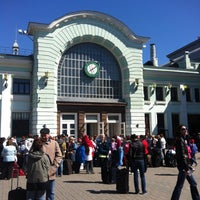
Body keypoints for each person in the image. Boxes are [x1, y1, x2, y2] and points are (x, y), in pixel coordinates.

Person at [171, 125, 200, 200]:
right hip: (184, 167)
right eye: (183, 129)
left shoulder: (184, 140)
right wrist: (187, 169)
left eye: (186, 128)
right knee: (181, 185)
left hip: (185, 166)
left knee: (191, 184)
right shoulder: (180, 140)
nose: (185, 130)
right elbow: (182, 155)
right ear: (180, 131)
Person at [40, 125, 62, 200]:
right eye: (42, 135)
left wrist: (55, 165)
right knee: (41, 192)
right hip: (40, 171)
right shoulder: (37, 143)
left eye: (45, 135)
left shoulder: (54, 143)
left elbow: (59, 155)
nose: (43, 137)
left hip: (51, 171)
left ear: (49, 135)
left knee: (50, 192)